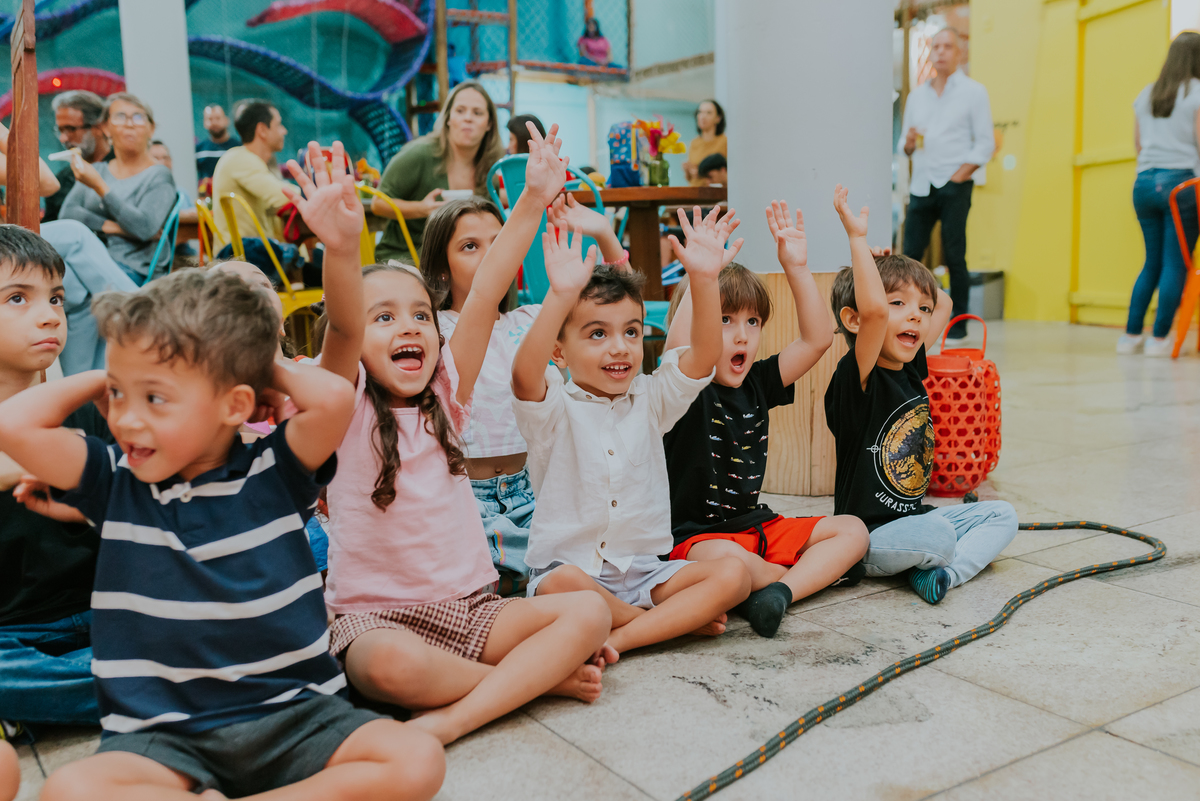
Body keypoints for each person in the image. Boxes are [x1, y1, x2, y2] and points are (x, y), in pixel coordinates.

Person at [0, 268, 446, 801]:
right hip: (165, 735)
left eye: (156, 399)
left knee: (416, 758)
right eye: (118, 397)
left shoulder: (275, 470)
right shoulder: (115, 479)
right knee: (68, 791)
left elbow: (331, 398)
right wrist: (114, 373)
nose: (127, 419)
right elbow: (13, 426)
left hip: (296, 715)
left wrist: (263, 370)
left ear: (235, 404)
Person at [288, 136, 613, 747]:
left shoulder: (447, 397)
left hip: (471, 610)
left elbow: (487, 289)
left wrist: (534, 199)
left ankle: (458, 712)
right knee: (383, 668)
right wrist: (339, 246)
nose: (408, 325)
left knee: (589, 611)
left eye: (418, 314)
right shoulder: (339, 407)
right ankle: (528, 683)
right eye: (384, 318)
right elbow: (344, 322)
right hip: (378, 622)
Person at [511, 205, 752, 656]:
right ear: (559, 352)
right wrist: (560, 297)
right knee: (559, 583)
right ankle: (663, 625)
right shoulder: (553, 408)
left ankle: (622, 636)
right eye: (597, 334)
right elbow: (524, 375)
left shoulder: (651, 400)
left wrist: (703, 280)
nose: (619, 347)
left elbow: (702, 355)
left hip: (644, 574)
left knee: (732, 574)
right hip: (574, 576)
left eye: (632, 332)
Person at [662, 203, 870, 638]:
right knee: (733, 565)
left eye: (752, 322)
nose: (741, 334)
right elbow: (678, 353)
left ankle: (778, 592)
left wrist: (796, 267)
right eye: (723, 320)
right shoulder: (683, 388)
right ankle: (799, 577)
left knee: (852, 531)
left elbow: (816, 340)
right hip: (697, 540)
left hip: (758, 526)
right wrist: (702, 275)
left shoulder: (757, 381)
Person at [419, 186, 629, 597]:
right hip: (463, 494)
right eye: (469, 246)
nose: (490, 255)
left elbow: (617, 308)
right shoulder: (433, 328)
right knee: (463, 581)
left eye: (499, 243)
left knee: (599, 564)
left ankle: (558, 595)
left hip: (535, 490)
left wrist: (604, 232)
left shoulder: (535, 318)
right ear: (441, 270)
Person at [826, 185, 1017, 605]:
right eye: (898, 304)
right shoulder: (858, 377)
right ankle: (934, 557)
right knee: (939, 533)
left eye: (921, 311)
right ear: (856, 320)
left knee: (1002, 515)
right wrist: (859, 246)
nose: (916, 314)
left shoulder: (911, 366)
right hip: (867, 538)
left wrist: (896, 268)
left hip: (914, 523)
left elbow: (941, 299)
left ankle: (943, 575)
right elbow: (873, 313)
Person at [0, 225, 112, 732]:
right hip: (12, 634)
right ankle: (148, 685)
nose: (49, 315)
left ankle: (86, 695)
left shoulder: (87, 411)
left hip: (107, 609)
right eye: (18, 298)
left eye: (57, 298)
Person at [900, 28, 994, 343]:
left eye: (947, 46)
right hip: (922, 183)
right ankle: (903, 314)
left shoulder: (974, 92)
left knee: (955, 255)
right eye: (935, 46)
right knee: (910, 254)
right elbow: (905, 146)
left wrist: (959, 176)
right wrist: (910, 142)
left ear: (959, 53)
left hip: (955, 184)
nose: (941, 51)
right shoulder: (917, 96)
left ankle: (959, 323)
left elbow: (985, 144)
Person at [1119, 32, 1200, 356]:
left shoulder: (1147, 94)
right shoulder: (1196, 92)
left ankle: (1130, 336)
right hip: (1180, 186)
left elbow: (1138, 144)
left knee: (1152, 262)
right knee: (1175, 263)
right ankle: (1160, 339)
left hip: (1144, 184)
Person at [373, 81, 504, 264]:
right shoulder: (418, 154)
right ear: (448, 118)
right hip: (405, 258)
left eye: (477, 113)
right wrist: (422, 209)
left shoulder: (490, 169)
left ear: (489, 123)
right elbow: (378, 203)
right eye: (460, 111)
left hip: (456, 263)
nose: (468, 118)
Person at [59, 93, 178, 284]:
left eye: (138, 117)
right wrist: (116, 228)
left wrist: (100, 187)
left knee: (65, 285)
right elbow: (67, 214)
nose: (129, 124)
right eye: (120, 117)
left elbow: (144, 228)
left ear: (151, 128)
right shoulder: (98, 169)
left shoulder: (159, 175)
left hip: (134, 270)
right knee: (53, 281)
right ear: (106, 128)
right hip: (92, 261)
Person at [212, 100, 291, 243]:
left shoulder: (246, 159)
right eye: (278, 125)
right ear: (262, 130)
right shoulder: (240, 159)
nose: (284, 130)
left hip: (253, 253)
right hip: (243, 259)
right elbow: (284, 196)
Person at [44, 90, 112, 223]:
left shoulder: (125, 168)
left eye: (71, 129)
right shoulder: (61, 181)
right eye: (60, 130)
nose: (63, 138)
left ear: (98, 127)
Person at [149, 141, 198, 226]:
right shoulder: (144, 193)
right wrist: (182, 214)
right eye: (156, 158)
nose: (162, 163)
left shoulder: (182, 193)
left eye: (165, 158)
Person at [684, 100, 728, 187]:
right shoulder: (694, 143)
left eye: (708, 113)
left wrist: (701, 173)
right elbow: (690, 178)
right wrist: (687, 170)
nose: (703, 116)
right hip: (694, 191)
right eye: (700, 112)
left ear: (718, 118)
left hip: (714, 193)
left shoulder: (724, 142)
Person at [195, 104, 241, 182]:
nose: (214, 122)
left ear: (226, 120)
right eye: (210, 119)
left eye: (218, 118)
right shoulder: (199, 150)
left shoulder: (238, 148)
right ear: (204, 123)